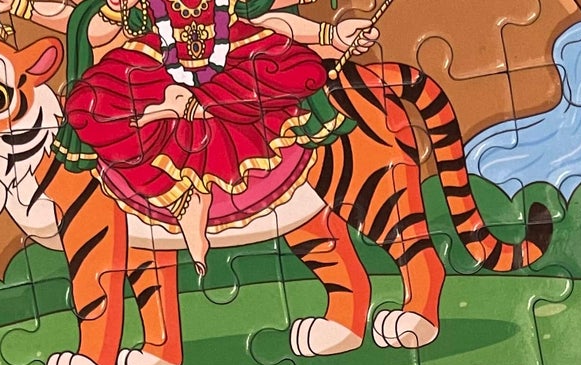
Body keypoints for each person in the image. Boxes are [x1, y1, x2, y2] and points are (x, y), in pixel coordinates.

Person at [57, 0, 377, 272]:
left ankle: (197, 103)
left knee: (303, 68)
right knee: (87, 105)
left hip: (235, 59)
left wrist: (332, 35)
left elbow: (273, 19)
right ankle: (182, 197)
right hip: (154, 70)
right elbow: (93, 29)